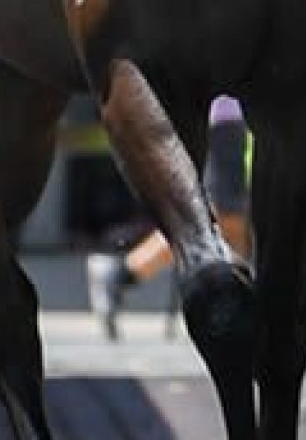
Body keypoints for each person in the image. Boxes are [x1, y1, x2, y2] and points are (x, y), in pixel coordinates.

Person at [86, 96, 251, 340]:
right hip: (223, 116)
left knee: (229, 223)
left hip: (234, 118)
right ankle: (121, 273)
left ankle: (237, 308)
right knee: (222, 217)